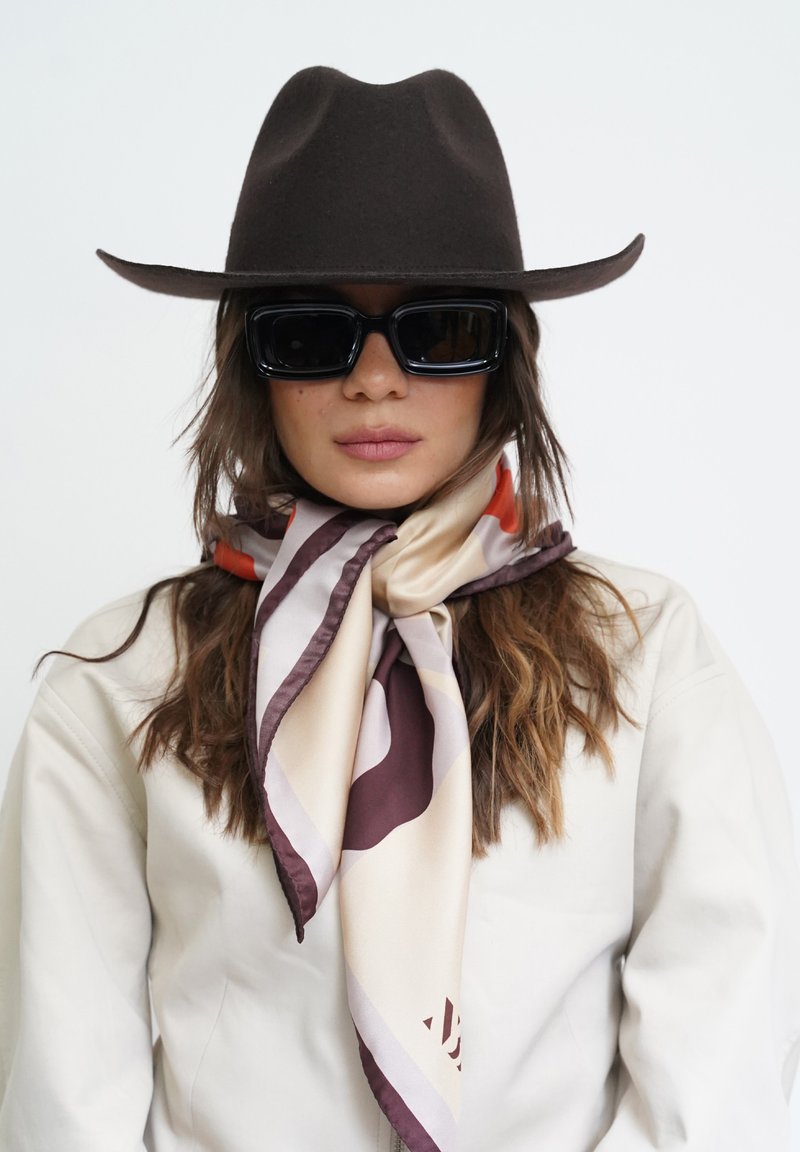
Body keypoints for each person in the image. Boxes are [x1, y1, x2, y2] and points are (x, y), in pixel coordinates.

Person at [1, 65, 798, 1152]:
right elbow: (65, 1095)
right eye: (311, 334)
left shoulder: (646, 653)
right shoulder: (116, 682)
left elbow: (715, 1074)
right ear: (251, 362)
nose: (374, 381)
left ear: (503, 362)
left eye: (439, 327)